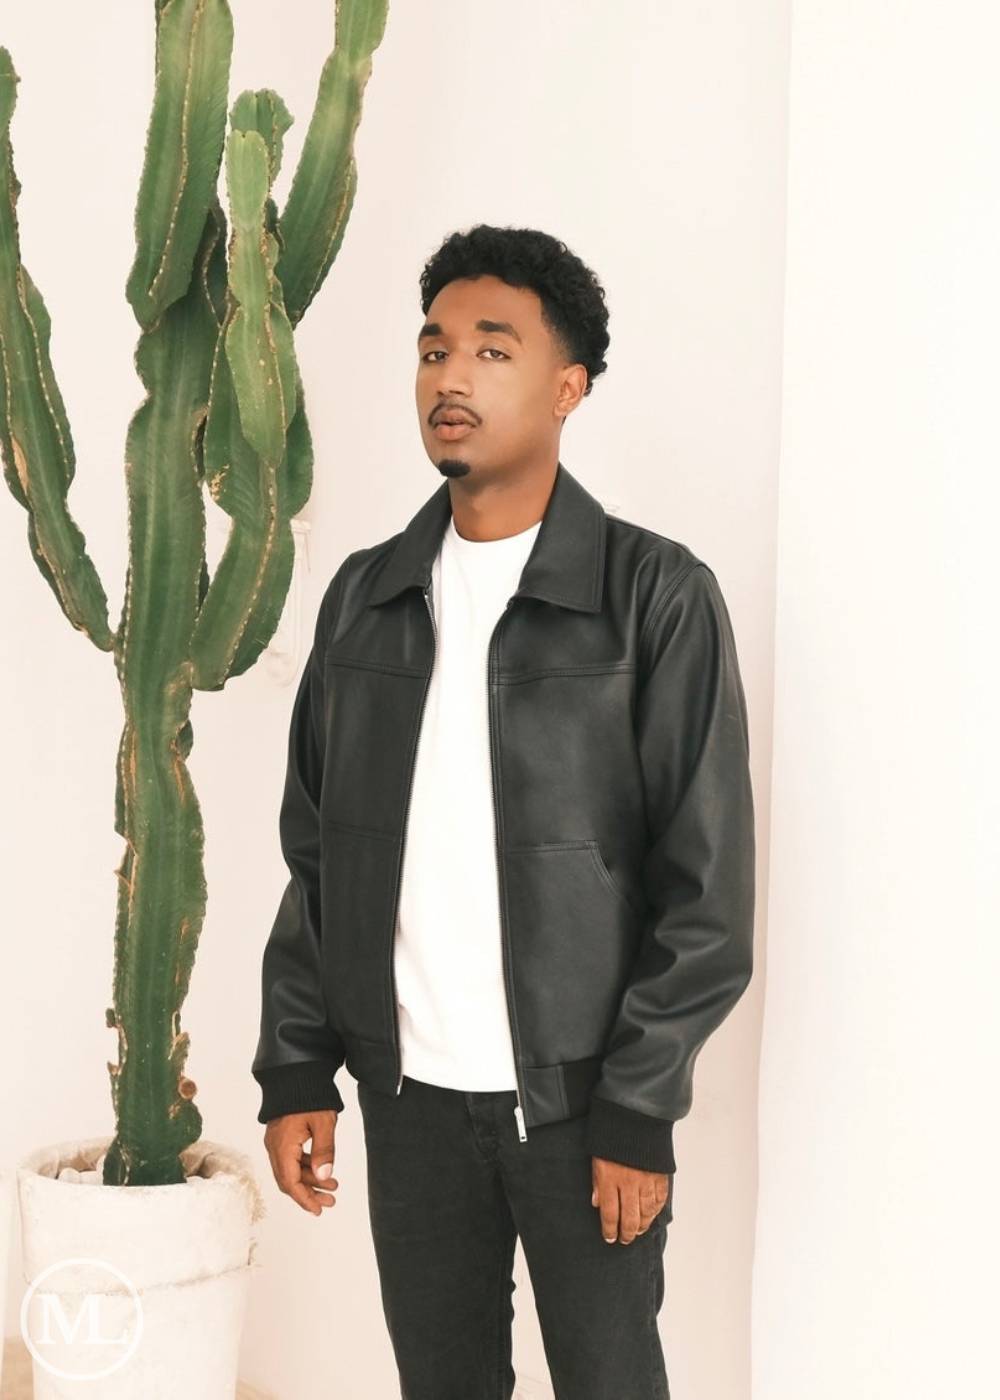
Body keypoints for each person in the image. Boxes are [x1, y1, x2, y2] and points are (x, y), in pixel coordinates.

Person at [251, 224, 756, 1400]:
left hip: (581, 1106)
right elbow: (316, 855)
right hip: (411, 1099)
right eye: (432, 350)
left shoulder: (655, 598)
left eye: (492, 348)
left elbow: (707, 889)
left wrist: (636, 1107)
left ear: (568, 386)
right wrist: (296, 1070)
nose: (450, 376)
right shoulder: (367, 597)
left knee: (611, 1382)